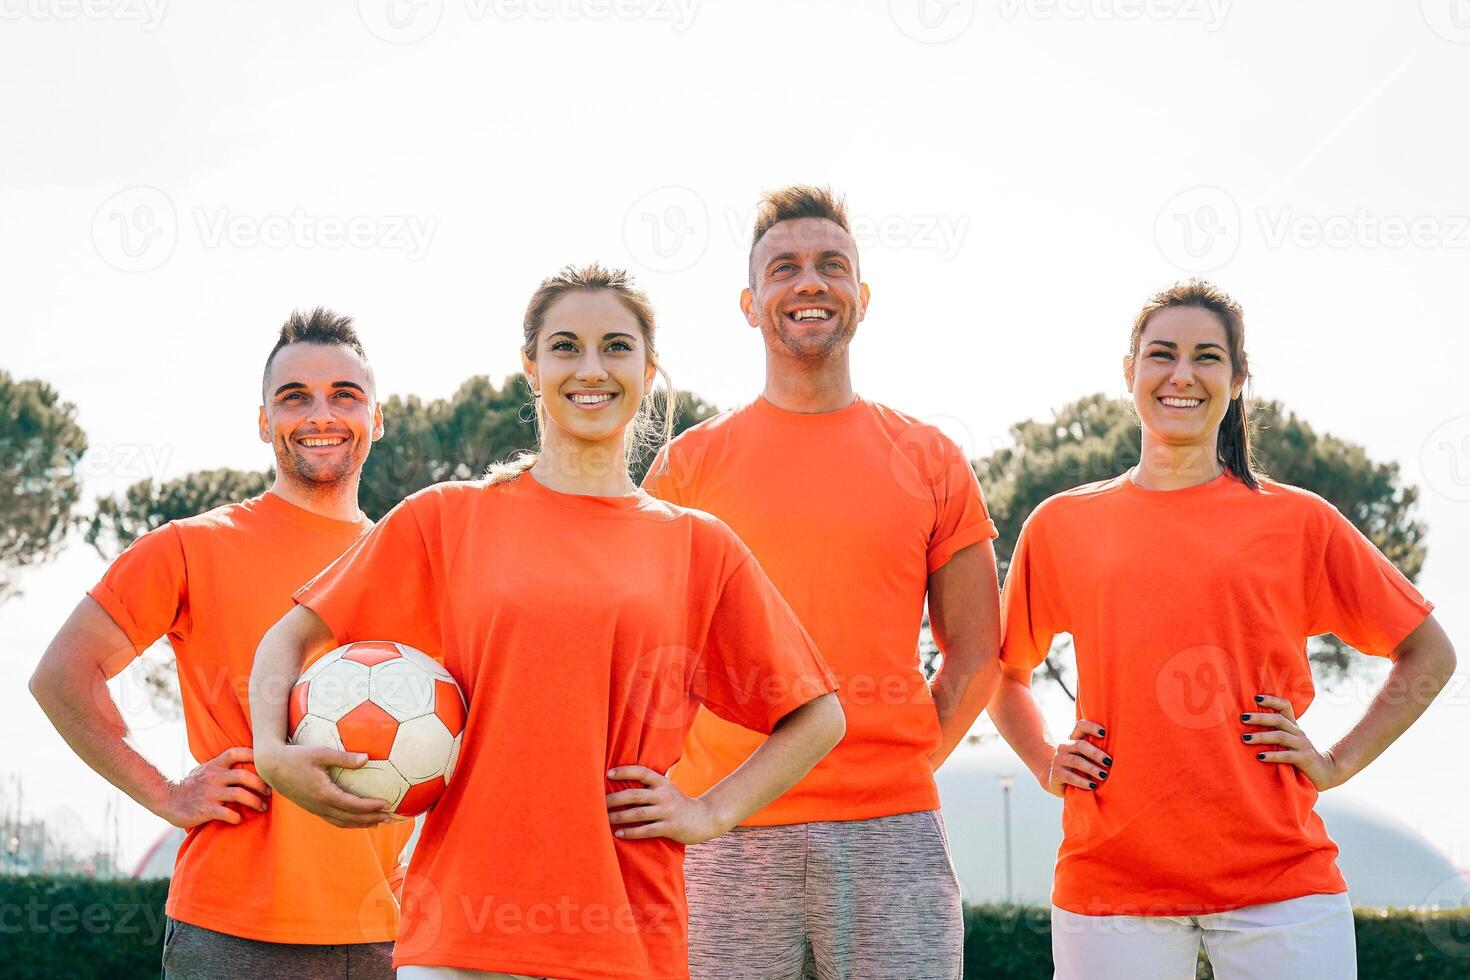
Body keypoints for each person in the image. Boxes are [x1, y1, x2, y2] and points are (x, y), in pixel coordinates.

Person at [249, 263, 846, 980]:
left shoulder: (698, 546)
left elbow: (819, 716)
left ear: (649, 370)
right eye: (565, 346)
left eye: (616, 347)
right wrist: (272, 754)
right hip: (463, 931)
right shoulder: (447, 518)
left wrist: (710, 813)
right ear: (531, 367)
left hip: (626, 934)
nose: (589, 368)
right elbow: (287, 639)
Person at [987, 279, 1457, 979]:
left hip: (1282, 880)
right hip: (1111, 881)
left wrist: (1336, 762)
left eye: (1207, 357)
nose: (1182, 374)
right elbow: (999, 670)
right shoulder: (1062, 525)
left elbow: (1428, 655)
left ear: (1238, 380)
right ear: (1130, 372)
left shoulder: (1299, 521)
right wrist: (1044, 759)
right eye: (1161, 354)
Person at [641, 185, 1002, 979]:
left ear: (862, 298)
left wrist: (897, 766)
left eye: (831, 266)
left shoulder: (931, 458)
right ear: (749, 302)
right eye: (786, 268)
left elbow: (977, 655)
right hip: (723, 831)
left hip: (892, 835)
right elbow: (646, 660)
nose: (810, 283)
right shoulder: (689, 468)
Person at [29, 309, 413, 979]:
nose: (320, 413)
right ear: (265, 422)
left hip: (397, 934)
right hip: (234, 935)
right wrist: (167, 794)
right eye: (295, 397)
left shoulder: (415, 564)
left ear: (377, 419)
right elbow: (63, 675)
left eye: (344, 395)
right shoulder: (192, 545)